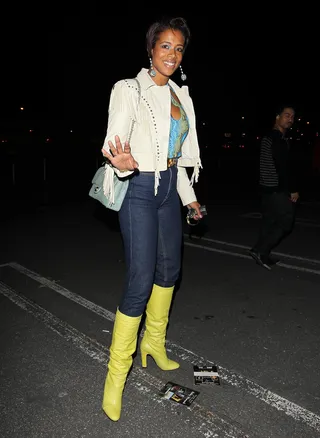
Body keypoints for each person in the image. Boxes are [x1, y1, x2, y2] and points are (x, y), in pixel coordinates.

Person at [100, 16, 203, 421]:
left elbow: (176, 159)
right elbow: (114, 139)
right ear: (150, 48)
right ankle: (116, 375)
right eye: (166, 46)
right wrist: (121, 160)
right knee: (140, 279)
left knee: (170, 271)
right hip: (139, 188)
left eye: (179, 48)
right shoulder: (129, 89)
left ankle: (154, 344)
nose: (172, 55)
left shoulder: (181, 97)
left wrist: (190, 199)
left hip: (167, 190)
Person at [249, 105, 299, 270]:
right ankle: (259, 250)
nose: (290, 119)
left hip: (266, 188)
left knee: (270, 222)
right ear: (277, 117)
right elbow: (282, 166)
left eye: (292, 117)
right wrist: (292, 189)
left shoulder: (270, 137)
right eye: (286, 115)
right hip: (276, 188)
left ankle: (263, 254)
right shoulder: (276, 138)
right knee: (286, 222)